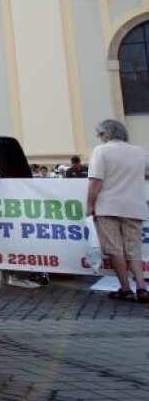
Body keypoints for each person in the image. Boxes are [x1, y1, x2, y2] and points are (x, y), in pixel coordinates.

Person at [85, 119, 149, 303]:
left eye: (99, 135)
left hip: (109, 206)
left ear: (105, 134)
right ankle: (142, 287)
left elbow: (96, 181)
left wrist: (89, 205)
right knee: (133, 250)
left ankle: (126, 289)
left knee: (115, 249)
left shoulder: (102, 151)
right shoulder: (140, 152)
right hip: (135, 206)